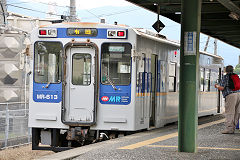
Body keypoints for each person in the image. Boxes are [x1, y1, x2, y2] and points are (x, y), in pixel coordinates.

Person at [215, 65, 240, 134]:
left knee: (230, 112)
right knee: (237, 112)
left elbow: (222, 88)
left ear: (226, 70)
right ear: (233, 70)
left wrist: (217, 86)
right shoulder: (236, 76)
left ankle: (229, 129)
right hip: (238, 94)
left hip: (230, 95)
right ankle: (233, 128)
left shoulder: (226, 76)